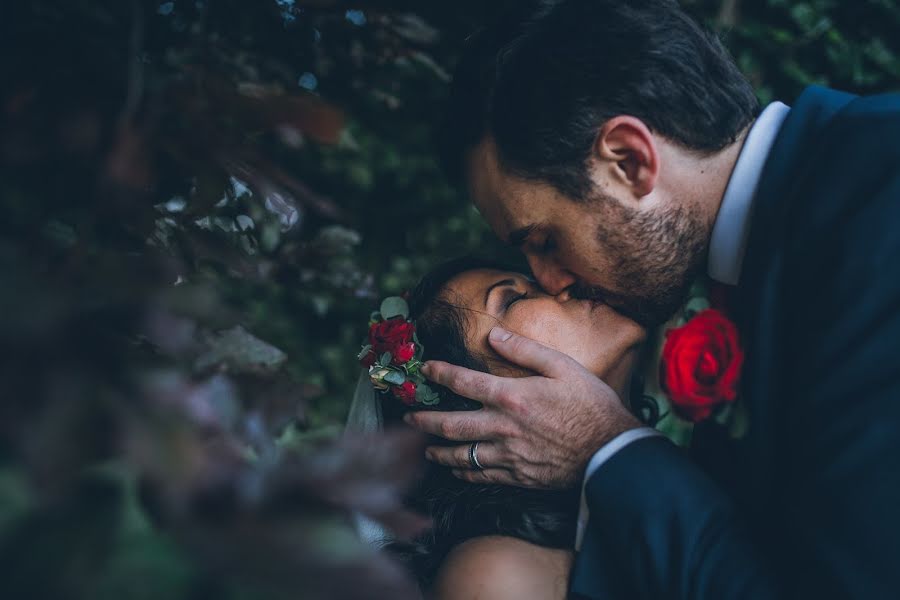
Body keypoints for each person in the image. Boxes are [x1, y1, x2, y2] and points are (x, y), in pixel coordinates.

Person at [403, 1, 900, 598]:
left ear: (629, 160)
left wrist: (607, 449)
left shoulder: (878, 202)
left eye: (544, 240)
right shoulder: (793, 235)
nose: (554, 279)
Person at [348, 257, 648, 598]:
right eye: (513, 299)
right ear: (479, 416)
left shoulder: (704, 446)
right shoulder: (498, 577)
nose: (563, 282)